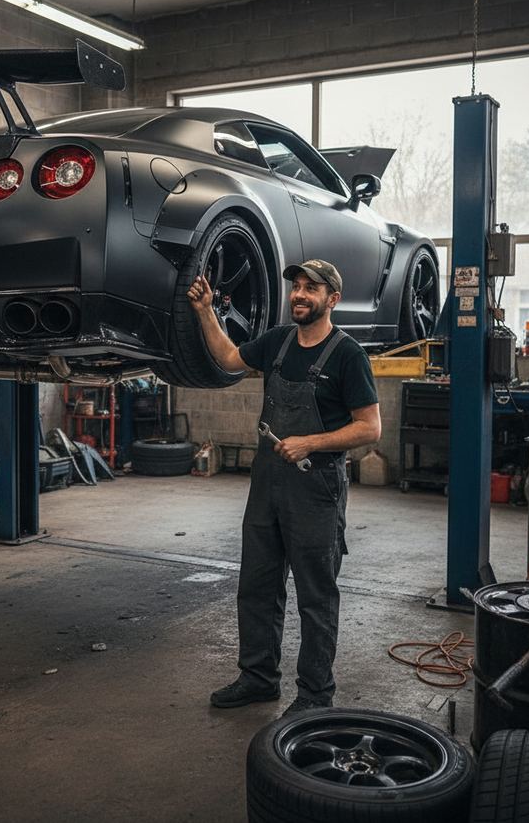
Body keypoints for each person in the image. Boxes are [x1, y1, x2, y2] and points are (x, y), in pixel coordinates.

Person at [188, 259, 381, 716]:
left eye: (311, 288)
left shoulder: (348, 355)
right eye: (296, 286)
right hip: (267, 482)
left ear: (332, 299)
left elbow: (370, 428)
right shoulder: (277, 342)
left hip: (317, 486)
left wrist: (312, 441)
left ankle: (315, 695)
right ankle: (258, 678)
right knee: (256, 586)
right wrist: (205, 311)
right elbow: (229, 357)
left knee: (316, 596)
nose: (299, 294)